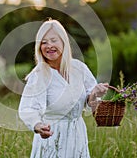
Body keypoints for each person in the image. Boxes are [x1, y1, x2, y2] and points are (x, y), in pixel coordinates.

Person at [18, 19, 109, 158]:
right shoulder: (39, 75)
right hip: (52, 137)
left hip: (77, 136)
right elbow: (28, 108)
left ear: (63, 42)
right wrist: (38, 126)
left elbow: (91, 104)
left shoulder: (79, 68)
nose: (49, 46)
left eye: (54, 40)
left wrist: (95, 94)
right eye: (44, 42)